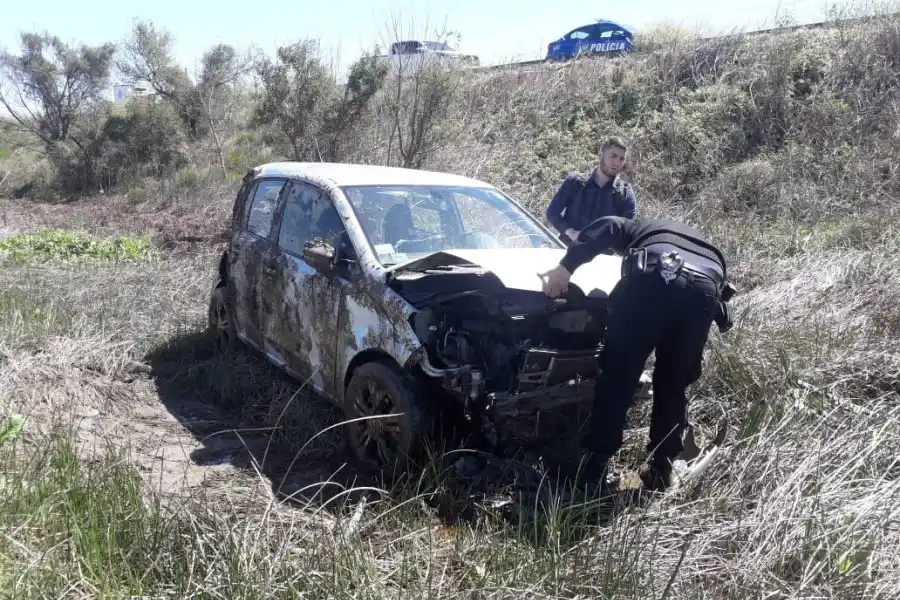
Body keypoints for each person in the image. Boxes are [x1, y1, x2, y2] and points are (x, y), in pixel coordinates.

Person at [537, 215, 736, 495]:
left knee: (618, 376)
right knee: (673, 384)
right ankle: (662, 468)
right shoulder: (698, 242)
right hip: (705, 287)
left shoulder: (635, 227)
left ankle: (594, 470)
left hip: (653, 275)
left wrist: (565, 267)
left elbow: (607, 225)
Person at [545, 136, 638, 244]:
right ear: (601, 154)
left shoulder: (624, 193)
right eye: (613, 156)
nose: (617, 163)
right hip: (568, 248)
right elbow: (552, 212)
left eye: (621, 159)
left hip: (602, 253)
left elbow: (629, 229)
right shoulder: (575, 182)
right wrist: (570, 232)